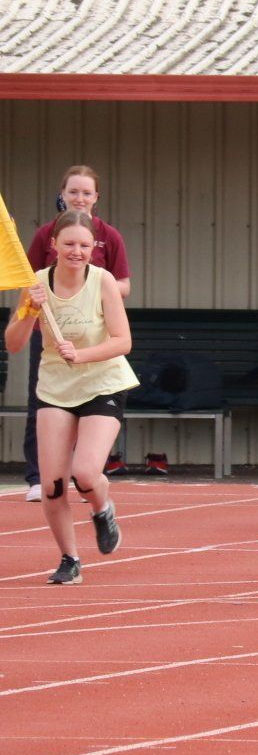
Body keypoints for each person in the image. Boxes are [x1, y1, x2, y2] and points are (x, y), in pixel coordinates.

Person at [5, 211, 138, 584]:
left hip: (102, 383)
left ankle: (103, 508)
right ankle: (70, 559)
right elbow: (14, 345)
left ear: (93, 248)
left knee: (85, 473)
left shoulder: (103, 281)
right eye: (68, 245)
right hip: (55, 389)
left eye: (83, 245)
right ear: (53, 246)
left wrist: (81, 355)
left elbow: (122, 341)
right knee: (53, 485)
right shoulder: (36, 284)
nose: (76, 252)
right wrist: (28, 313)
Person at [22, 166, 131, 502]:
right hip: (53, 332)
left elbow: (123, 283)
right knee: (41, 402)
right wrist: (38, 303)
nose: (79, 199)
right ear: (62, 194)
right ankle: (39, 476)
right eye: (73, 192)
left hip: (93, 332)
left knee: (90, 405)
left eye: (86, 193)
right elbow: (29, 281)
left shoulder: (109, 236)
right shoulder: (45, 234)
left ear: (96, 198)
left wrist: (96, 291)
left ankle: (87, 475)